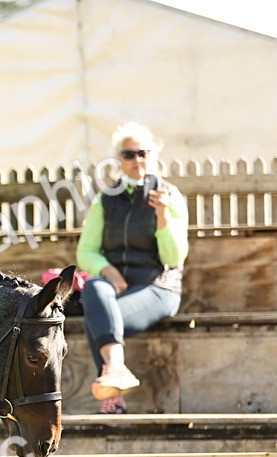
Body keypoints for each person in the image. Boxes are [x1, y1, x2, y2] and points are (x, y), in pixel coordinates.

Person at [77, 122, 189, 414]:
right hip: (118, 288)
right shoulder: (106, 199)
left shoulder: (168, 195)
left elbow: (175, 258)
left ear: (152, 156)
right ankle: (116, 372)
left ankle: (111, 397)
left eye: (143, 153)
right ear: (119, 161)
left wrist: (162, 216)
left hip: (158, 288)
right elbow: (86, 251)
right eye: (129, 154)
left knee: (97, 317)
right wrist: (108, 271)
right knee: (93, 287)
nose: (137, 160)